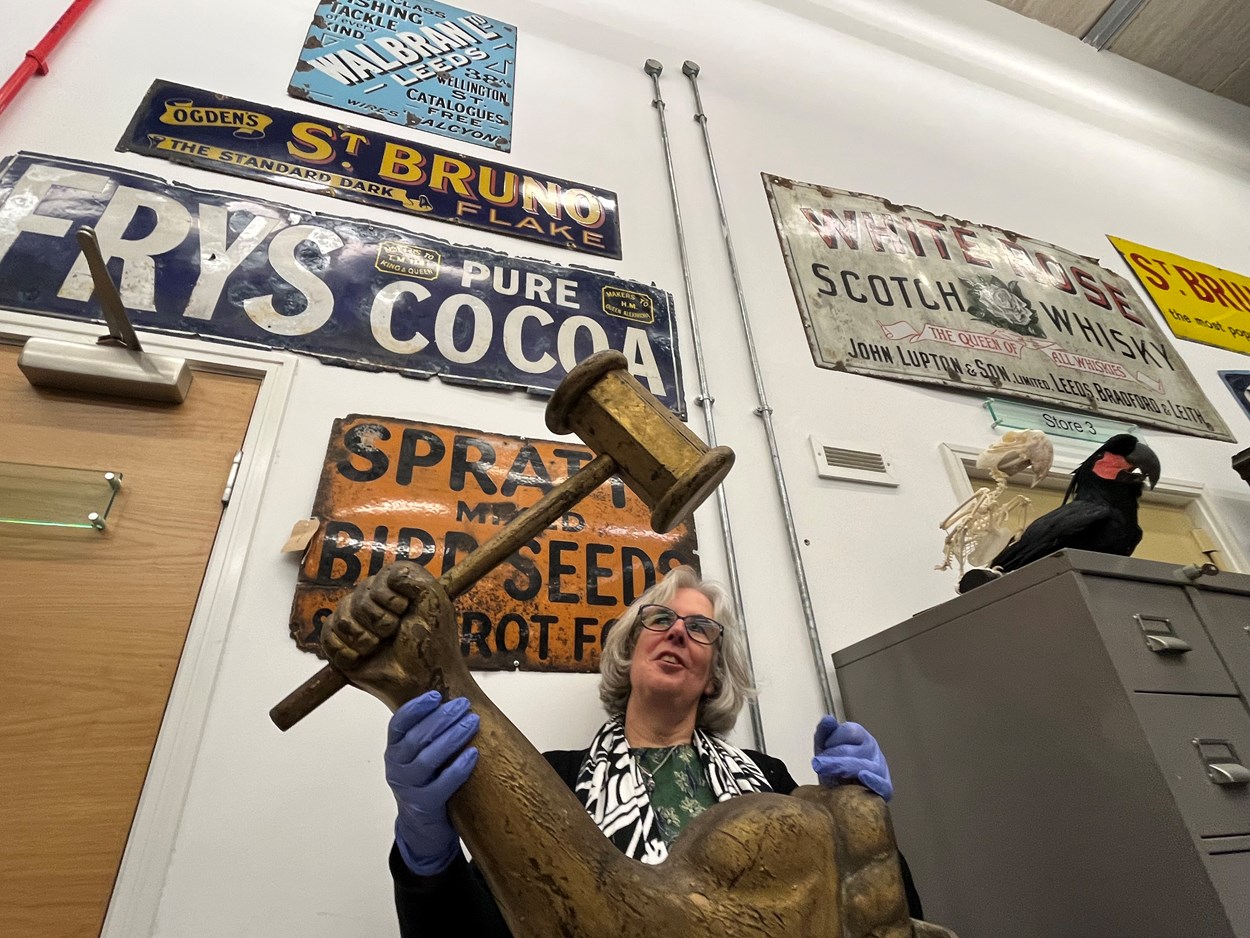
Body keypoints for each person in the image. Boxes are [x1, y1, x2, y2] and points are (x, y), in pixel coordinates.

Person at [345, 565, 921, 934]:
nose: (677, 632)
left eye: (701, 630)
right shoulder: (548, 783)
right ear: (630, 648)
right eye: (661, 619)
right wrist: (427, 857)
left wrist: (864, 817)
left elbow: (877, 917)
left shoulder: (772, 784)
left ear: (715, 673)